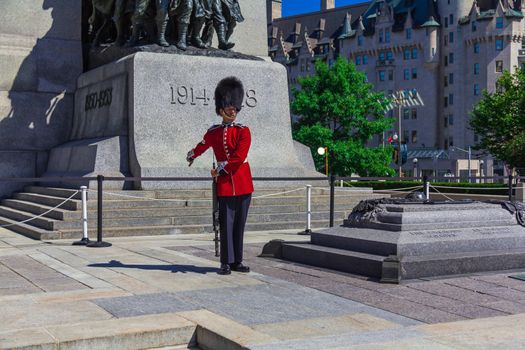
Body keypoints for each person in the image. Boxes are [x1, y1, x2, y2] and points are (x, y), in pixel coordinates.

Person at [186, 77, 253, 275]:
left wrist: (221, 171)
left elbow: (239, 157)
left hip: (242, 182)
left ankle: (237, 261)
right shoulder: (214, 132)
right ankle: (226, 261)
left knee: (239, 225)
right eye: (230, 107)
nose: (233, 110)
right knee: (225, 224)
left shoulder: (244, 131)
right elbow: (203, 144)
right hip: (224, 185)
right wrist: (192, 155)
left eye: (235, 107)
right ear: (221, 109)